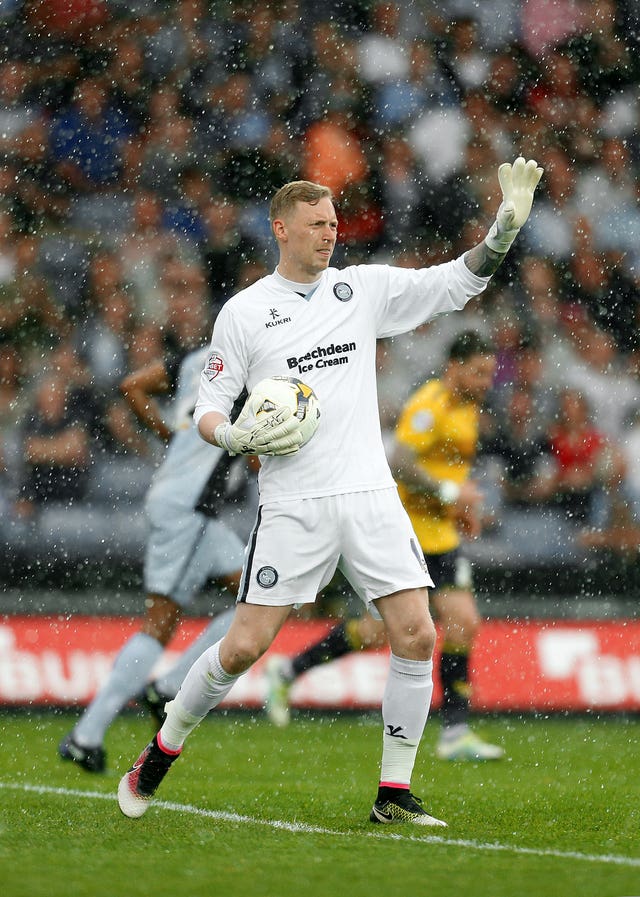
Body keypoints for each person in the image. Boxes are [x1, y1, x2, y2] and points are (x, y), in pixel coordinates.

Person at [117, 158, 543, 826]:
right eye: (316, 224)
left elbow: (455, 284)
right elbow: (208, 404)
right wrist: (228, 436)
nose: (329, 234)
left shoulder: (361, 290)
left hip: (371, 493)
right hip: (295, 503)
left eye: (335, 223)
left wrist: (501, 233)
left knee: (416, 633)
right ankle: (161, 749)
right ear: (280, 228)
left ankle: (392, 794)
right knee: (242, 646)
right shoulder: (246, 313)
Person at [265, 331, 504, 761]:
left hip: (442, 537)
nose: (487, 381)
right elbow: (400, 462)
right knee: (379, 633)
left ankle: (454, 732)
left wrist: (458, 505)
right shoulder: (429, 406)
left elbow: (444, 466)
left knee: (464, 621)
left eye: (489, 372)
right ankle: (289, 669)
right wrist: (451, 494)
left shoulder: (469, 407)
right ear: (455, 367)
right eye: (479, 372)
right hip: (406, 533)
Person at [59, 340, 248, 772]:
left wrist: (173, 439)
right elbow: (253, 454)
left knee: (260, 599)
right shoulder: (249, 372)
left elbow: (132, 385)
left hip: (189, 507)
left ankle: (166, 686)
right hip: (189, 509)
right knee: (160, 622)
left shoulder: (197, 358)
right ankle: (87, 734)